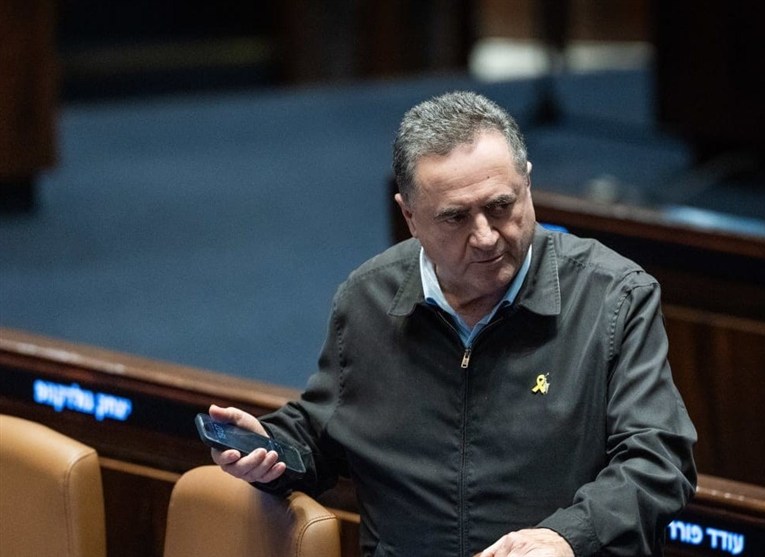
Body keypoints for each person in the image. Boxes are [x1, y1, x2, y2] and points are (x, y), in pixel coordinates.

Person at [209, 91, 697, 556]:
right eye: (456, 218)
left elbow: (658, 461)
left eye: (501, 206)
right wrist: (272, 449)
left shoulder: (613, 297)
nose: (485, 236)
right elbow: (324, 434)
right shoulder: (369, 299)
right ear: (409, 216)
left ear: (527, 183)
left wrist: (565, 538)